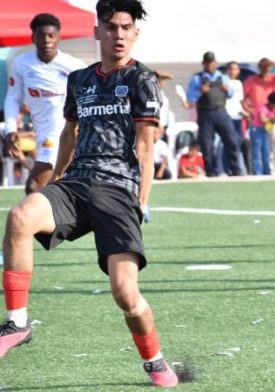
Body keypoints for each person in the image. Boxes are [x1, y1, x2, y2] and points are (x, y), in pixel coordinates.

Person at [0, 0, 178, 387]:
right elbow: (69, 132)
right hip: (77, 182)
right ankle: (16, 323)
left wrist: (141, 199)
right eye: (111, 27)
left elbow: (146, 147)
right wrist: (56, 181)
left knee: (125, 295)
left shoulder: (141, 80)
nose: (118, 34)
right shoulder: (79, 79)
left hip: (118, 190)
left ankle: (155, 360)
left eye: (126, 28)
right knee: (19, 217)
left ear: (135, 33)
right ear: (97, 32)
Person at [3, 13, 86, 194]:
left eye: (51, 35)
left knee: (34, 188)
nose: (47, 40)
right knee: (56, 191)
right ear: (33, 37)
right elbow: (12, 98)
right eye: (41, 35)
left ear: (59, 37)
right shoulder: (21, 63)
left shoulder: (74, 66)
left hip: (62, 134)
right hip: (41, 134)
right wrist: (11, 129)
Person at [186, 51, 243, 177]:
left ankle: (236, 171)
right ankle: (212, 172)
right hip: (205, 113)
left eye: (212, 62)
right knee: (207, 145)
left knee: (232, 140)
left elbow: (231, 94)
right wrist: (200, 91)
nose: (210, 64)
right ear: (203, 63)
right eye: (207, 62)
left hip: (221, 112)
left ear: (215, 63)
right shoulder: (197, 78)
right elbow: (190, 98)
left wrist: (227, 90)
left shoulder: (222, 77)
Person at [243, 58, 275, 175]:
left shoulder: (273, 79)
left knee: (269, 147)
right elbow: (242, 99)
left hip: (270, 122)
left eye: (267, 67)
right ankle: (257, 172)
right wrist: (251, 112)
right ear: (259, 67)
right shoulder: (251, 80)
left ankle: (269, 171)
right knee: (257, 149)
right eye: (263, 66)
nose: (265, 69)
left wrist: (274, 63)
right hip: (257, 121)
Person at [225, 61, 251, 174]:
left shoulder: (239, 83)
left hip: (238, 117)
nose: (233, 71)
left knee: (239, 142)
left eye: (235, 68)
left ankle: (238, 168)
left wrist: (246, 112)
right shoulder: (224, 81)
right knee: (229, 143)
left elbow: (239, 101)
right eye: (231, 68)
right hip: (227, 117)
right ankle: (228, 169)